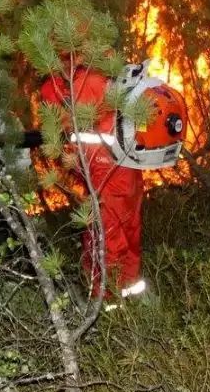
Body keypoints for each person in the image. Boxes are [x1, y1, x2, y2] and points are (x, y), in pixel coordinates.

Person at [39, 59, 147, 304]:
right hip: (121, 160)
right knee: (121, 228)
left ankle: (109, 299)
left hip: (107, 162)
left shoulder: (62, 81)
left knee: (108, 231)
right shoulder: (94, 68)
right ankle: (117, 295)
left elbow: (57, 128)